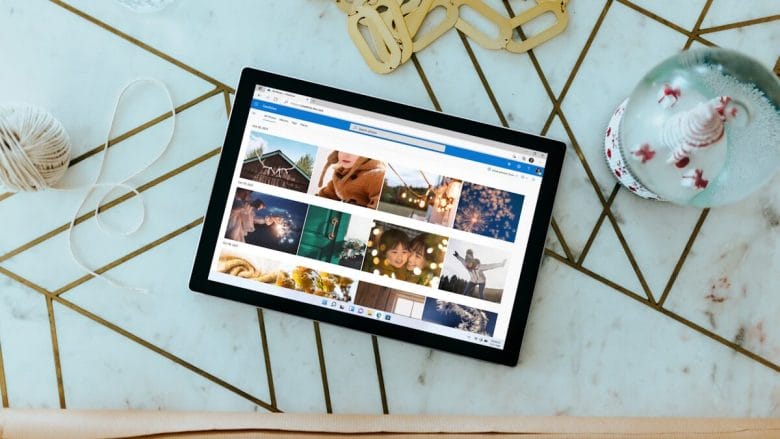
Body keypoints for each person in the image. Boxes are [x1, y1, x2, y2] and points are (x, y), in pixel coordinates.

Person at [316, 151, 385, 209]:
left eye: (355, 152)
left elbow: (377, 207)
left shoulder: (377, 176)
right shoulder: (340, 172)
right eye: (343, 149)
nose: (346, 155)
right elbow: (329, 194)